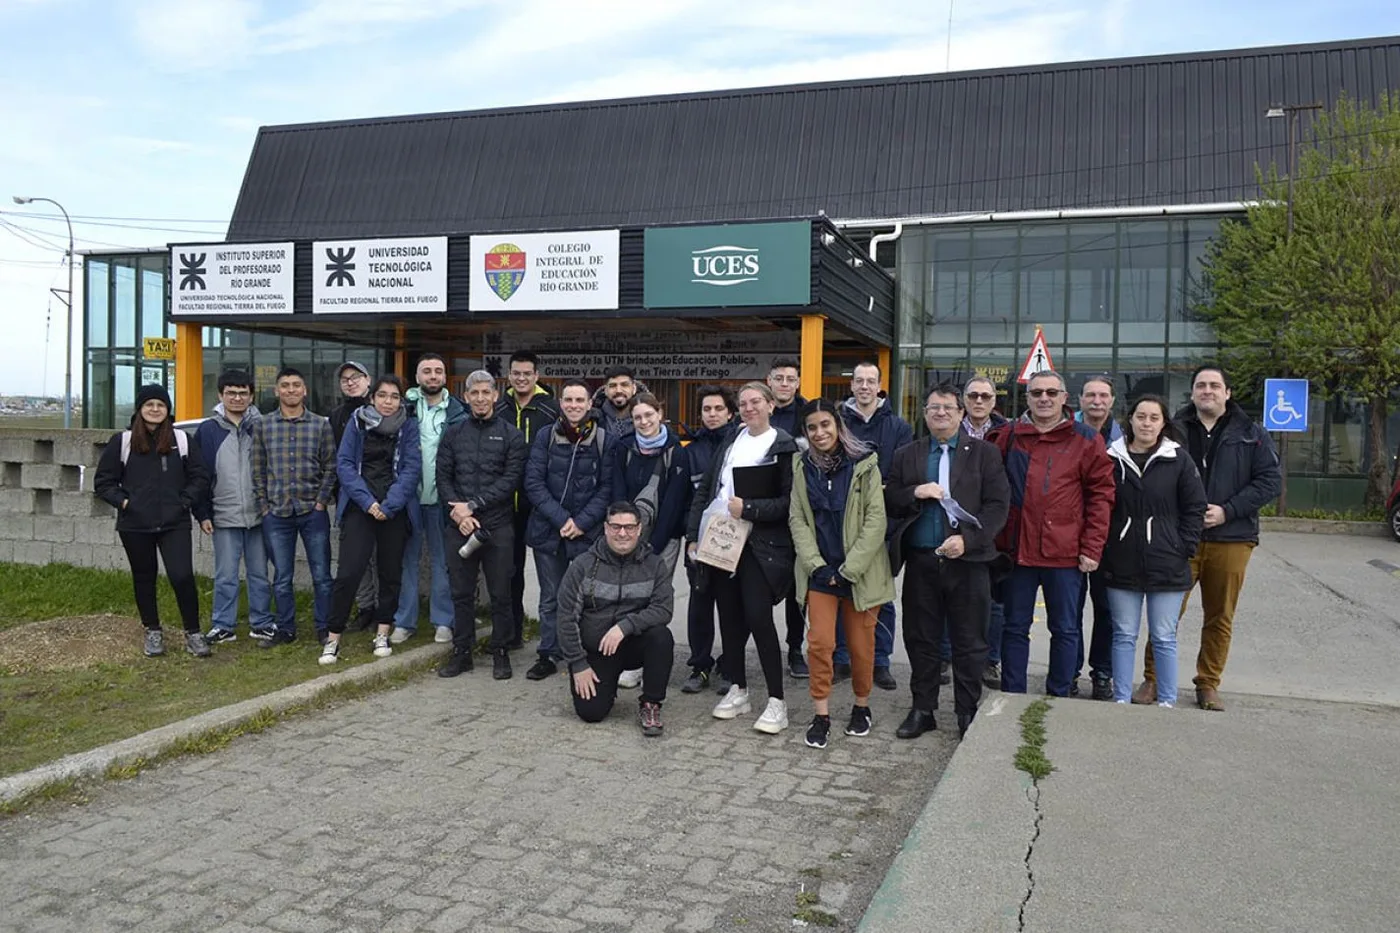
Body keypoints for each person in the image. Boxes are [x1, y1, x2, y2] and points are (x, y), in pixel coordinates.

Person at [1135, 366, 1281, 711]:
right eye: (1201, 385)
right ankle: (1154, 678)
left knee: (1219, 615)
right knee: (1166, 613)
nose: (1207, 391)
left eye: (1215, 385)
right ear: (1193, 393)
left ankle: (1208, 683)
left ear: (1228, 393)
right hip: (1179, 538)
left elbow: (1269, 481)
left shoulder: (1252, 433)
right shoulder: (1174, 431)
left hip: (1232, 537)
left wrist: (1227, 511)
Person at [887, 384, 1010, 739]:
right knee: (920, 639)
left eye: (947, 408)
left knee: (969, 642)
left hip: (969, 563)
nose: (940, 413)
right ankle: (922, 709)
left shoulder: (985, 454)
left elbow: (998, 507)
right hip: (922, 562)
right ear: (924, 413)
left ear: (961, 413)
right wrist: (914, 492)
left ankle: (966, 711)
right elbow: (892, 498)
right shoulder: (907, 454)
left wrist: (968, 540)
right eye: (933, 407)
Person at [988, 370, 1115, 696]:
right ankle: (1012, 693)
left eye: (1051, 392)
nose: (1043, 398)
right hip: (1017, 550)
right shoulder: (1009, 436)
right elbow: (990, 487)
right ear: (1027, 398)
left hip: (1066, 552)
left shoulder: (1086, 439)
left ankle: (1059, 694)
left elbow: (1101, 496)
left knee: (1065, 629)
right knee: (1014, 627)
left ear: (1063, 398)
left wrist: (1092, 547)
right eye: (1036, 393)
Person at [688, 381, 799, 734]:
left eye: (756, 402)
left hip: (760, 547)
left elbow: (789, 502)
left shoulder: (782, 446)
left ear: (770, 405)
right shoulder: (731, 440)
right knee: (729, 619)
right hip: (721, 541)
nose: (749, 408)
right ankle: (739, 689)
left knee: (758, 617)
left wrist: (749, 508)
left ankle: (777, 701)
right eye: (744, 403)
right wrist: (693, 536)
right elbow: (708, 489)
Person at [789, 399, 893, 748]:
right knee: (820, 644)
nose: (819, 433)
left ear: (838, 426)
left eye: (825, 425)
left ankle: (861, 706)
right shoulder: (801, 466)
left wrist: (850, 569)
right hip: (819, 572)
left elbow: (876, 521)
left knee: (862, 648)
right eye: (812, 428)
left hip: (859, 575)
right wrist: (815, 564)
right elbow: (798, 519)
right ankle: (821, 714)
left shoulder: (865, 464)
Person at [1101, 396, 1207, 706]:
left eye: (1154, 418)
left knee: (1163, 637)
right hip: (1122, 561)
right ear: (1130, 420)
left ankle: (1167, 702)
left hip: (1168, 562)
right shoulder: (1110, 458)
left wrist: (1183, 546)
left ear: (1163, 424)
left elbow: (1195, 507)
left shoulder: (1179, 460)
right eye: (1141, 416)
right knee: (1123, 635)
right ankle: (1121, 699)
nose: (1147, 423)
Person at [94, 384, 211, 658]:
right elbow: (104, 482)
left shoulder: (181, 440)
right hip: (135, 524)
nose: (155, 409)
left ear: (168, 410)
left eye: (161, 405)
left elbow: (200, 476)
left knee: (182, 576)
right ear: (140, 409)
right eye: (149, 405)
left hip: (174, 522)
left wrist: (184, 502)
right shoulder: (121, 442)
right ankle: (153, 631)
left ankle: (193, 633)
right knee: (144, 577)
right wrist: (125, 503)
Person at [321, 376, 422, 664]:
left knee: (390, 574)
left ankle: (382, 632)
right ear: (372, 398)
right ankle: (333, 637)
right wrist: (368, 503)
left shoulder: (409, 425)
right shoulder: (357, 422)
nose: (388, 401)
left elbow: (411, 468)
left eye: (394, 396)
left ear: (401, 400)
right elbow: (345, 465)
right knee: (349, 573)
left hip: (394, 508)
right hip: (360, 506)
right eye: (382, 395)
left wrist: (388, 505)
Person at [436, 370, 527, 680]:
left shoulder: (512, 435)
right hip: (458, 525)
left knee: (501, 591)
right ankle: (462, 652)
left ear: (495, 395)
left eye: (485, 392)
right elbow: (443, 477)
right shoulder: (453, 434)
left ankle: (500, 651)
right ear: (466, 396)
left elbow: (511, 480)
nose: (479, 398)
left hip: (498, 525)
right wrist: (460, 515)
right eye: (474, 393)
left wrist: (473, 506)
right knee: (461, 592)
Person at [524, 378, 617, 680]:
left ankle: (585, 652)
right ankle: (549, 653)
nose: (574, 406)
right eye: (568, 400)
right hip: (548, 531)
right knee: (550, 597)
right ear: (560, 403)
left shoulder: (605, 438)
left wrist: (581, 523)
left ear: (590, 404)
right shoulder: (544, 436)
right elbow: (533, 483)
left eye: (580, 401)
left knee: (586, 598)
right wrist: (562, 519)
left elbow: (607, 488)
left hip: (586, 533)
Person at [557, 502, 676, 736]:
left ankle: (650, 704)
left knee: (662, 637)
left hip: (633, 643)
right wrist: (578, 664)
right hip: (596, 649)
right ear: (605, 527)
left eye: (629, 527)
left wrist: (624, 626)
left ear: (640, 529)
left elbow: (664, 609)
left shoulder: (655, 564)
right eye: (616, 526)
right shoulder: (583, 565)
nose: (623, 533)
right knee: (591, 713)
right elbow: (565, 617)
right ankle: (607, 687)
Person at [836, 360, 913, 691]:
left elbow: (901, 474)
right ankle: (841, 658)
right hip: (841, 521)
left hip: (884, 523)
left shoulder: (898, 427)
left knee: (881, 594)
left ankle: (880, 662)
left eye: (871, 381)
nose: (864, 386)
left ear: (880, 386)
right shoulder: (838, 423)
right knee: (841, 590)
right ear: (851, 386)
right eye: (859, 381)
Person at [611, 391, 692, 689]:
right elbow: (618, 493)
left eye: (649, 415)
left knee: (653, 598)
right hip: (627, 537)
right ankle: (628, 660)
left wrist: (653, 546)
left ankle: (648, 661)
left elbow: (674, 501)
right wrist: (625, 535)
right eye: (637, 417)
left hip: (663, 540)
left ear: (660, 413)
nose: (644, 422)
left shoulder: (676, 451)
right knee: (628, 596)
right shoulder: (623, 448)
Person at [251, 367, 336, 648]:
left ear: (305, 390)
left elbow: (330, 466)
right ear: (276, 391)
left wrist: (322, 502)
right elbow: (258, 469)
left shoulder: (320, 425)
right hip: (277, 513)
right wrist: (264, 507)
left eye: (296, 385)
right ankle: (285, 629)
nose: (290, 390)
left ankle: (325, 627)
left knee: (322, 575)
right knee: (282, 577)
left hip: (313, 511)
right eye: (285, 385)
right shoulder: (263, 425)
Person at [193, 370, 273, 644]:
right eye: (231, 393)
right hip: (224, 515)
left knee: (259, 573)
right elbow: (199, 475)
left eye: (243, 393)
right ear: (220, 395)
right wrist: (202, 513)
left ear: (251, 396)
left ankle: (261, 622)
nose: (237, 398)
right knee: (226, 575)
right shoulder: (208, 430)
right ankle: (223, 625)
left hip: (259, 514)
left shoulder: (262, 425)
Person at [393, 353, 466, 645]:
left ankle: (443, 621)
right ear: (418, 377)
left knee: (442, 561)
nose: (433, 376)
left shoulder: (458, 411)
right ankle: (404, 622)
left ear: (445, 377)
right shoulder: (404, 407)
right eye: (427, 371)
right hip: (408, 497)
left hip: (443, 498)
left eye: (438, 371)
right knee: (406, 561)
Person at [497, 350, 560, 652]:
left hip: (540, 505)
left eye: (527, 373)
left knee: (550, 579)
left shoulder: (551, 409)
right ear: (509, 375)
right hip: (505, 505)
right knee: (510, 572)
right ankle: (512, 633)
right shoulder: (499, 408)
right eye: (516, 373)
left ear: (536, 376)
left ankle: (555, 640)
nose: (521, 378)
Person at [679, 385, 737, 694]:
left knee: (730, 606)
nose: (712, 415)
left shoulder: (741, 445)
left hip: (734, 540)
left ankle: (730, 665)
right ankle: (699, 665)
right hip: (699, 540)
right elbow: (689, 499)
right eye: (706, 410)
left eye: (718, 409)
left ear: (730, 412)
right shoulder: (691, 451)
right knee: (699, 604)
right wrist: (690, 539)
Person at [1073, 375, 1124, 700]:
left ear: (1112, 401)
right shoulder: (1068, 434)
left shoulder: (1124, 438)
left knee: (1107, 610)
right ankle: (1069, 671)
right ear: (1079, 400)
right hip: (1072, 536)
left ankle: (1102, 674)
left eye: (1103, 395)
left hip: (1114, 538)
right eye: (1090, 395)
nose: (1096, 401)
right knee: (1070, 611)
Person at [962, 376, 1010, 689]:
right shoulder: (948, 424)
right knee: (947, 598)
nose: (979, 401)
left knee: (993, 602)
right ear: (964, 400)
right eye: (973, 395)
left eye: (985, 396)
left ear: (994, 401)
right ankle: (945, 657)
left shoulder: (1008, 433)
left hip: (994, 530)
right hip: (954, 527)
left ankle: (991, 661)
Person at [766, 357, 810, 678]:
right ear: (769, 381)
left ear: (797, 382)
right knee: (759, 584)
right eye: (779, 378)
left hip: (799, 508)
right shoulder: (756, 411)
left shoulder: (809, 415)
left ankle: (795, 649)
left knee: (798, 588)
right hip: (763, 509)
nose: (784, 383)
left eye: (790, 379)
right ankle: (759, 645)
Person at [330, 360, 378, 633]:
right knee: (354, 561)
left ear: (368, 380)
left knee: (382, 558)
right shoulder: (336, 416)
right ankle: (365, 607)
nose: (350, 382)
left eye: (356, 377)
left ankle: (384, 610)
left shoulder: (381, 409)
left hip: (381, 498)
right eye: (345, 378)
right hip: (349, 499)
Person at [591, 365, 643, 438]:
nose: (618, 390)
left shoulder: (646, 418)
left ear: (634, 389)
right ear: (606, 390)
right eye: (613, 386)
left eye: (624, 385)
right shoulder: (593, 419)